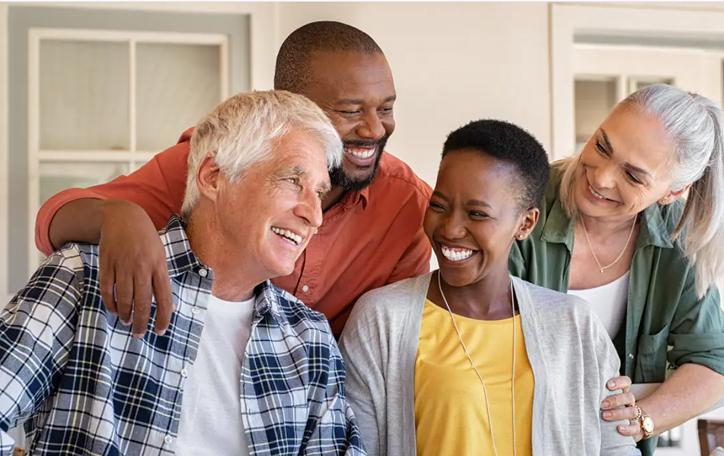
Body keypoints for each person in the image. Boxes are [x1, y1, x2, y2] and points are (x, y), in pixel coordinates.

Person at [0, 91, 364, 456]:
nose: (314, 215)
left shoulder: (309, 339)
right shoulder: (85, 275)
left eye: (318, 192)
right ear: (213, 177)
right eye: (292, 180)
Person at [33, 21, 432, 338]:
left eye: (386, 108)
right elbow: (52, 222)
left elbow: (388, 339)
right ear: (292, 105)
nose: (375, 129)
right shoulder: (219, 162)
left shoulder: (407, 203)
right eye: (350, 111)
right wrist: (116, 216)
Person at [339, 119, 640, 456]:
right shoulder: (383, 319)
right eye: (438, 205)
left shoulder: (574, 324)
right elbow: (356, 447)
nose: (451, 229)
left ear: (525, 223)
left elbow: (616, 447)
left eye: (477, 214)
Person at [509, 84, 724, 454]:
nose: (601, 178)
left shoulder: (677, 243)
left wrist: (639, 420)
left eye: (633, 176)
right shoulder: (521, 199)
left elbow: (713, 364)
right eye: (602, 146)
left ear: (672, 192)